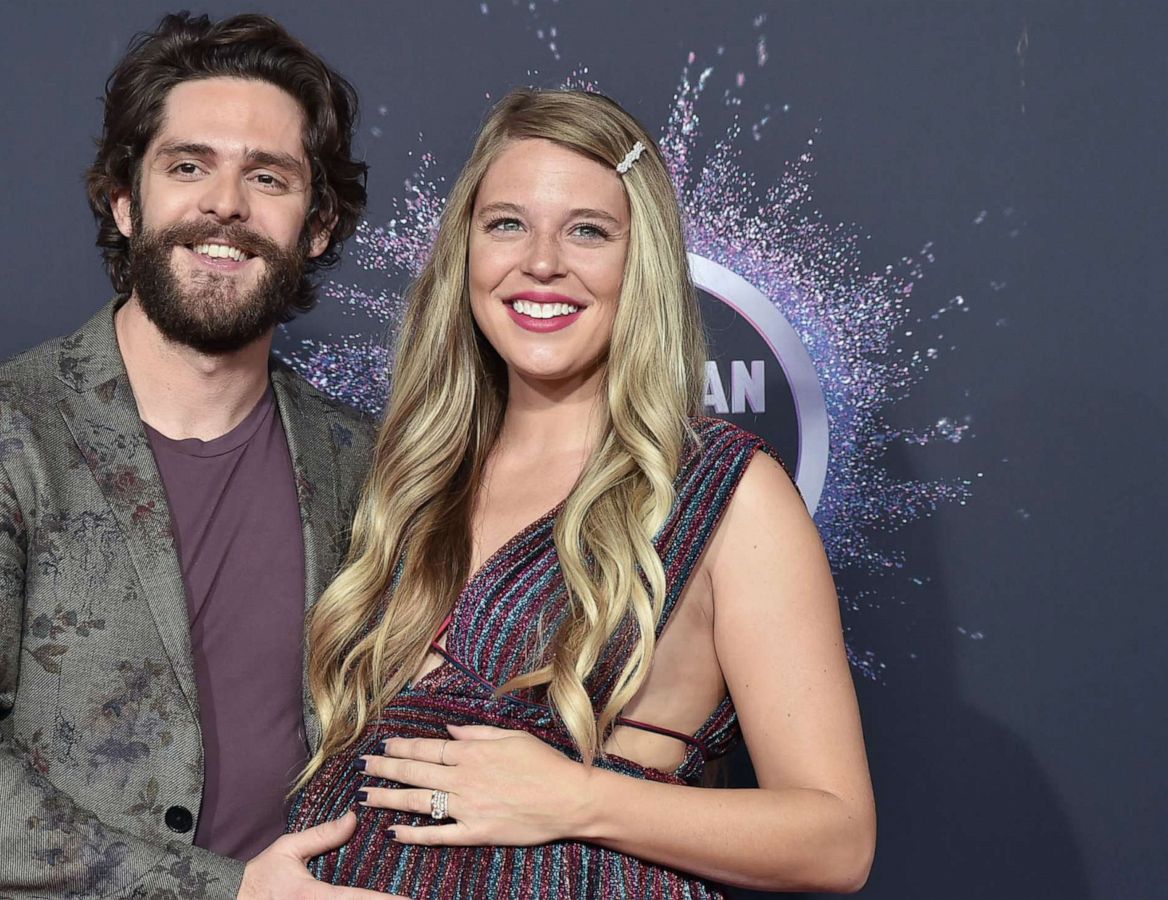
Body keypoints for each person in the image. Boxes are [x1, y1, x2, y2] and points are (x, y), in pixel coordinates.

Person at [0, 14, 398, 900]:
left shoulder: (364, 459)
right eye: (188, 167)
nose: (225, 204)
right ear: (124, 199)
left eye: (268, 177)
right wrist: (222, 893)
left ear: (318, 226)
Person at [289, 89, 876, 898]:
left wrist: (580, 798)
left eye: (588, 231)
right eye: (507, 224)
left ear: (644, 263)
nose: (541, 262)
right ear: (465, 250)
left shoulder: (726, 491)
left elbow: (836, 841)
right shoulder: (413, 475)